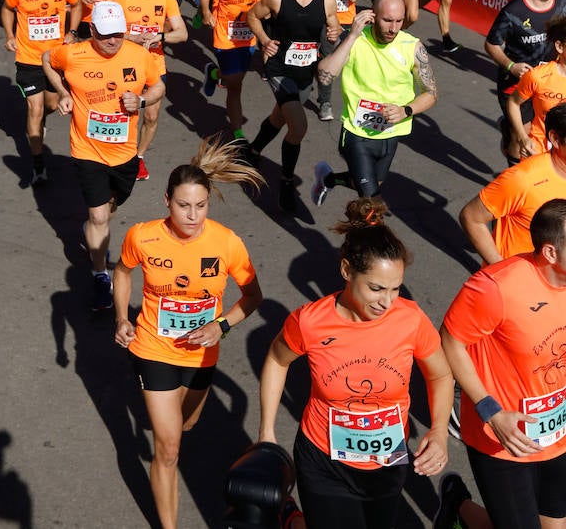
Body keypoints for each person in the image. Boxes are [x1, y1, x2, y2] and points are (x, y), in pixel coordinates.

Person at [259, 197, 453, 529]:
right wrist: (266, 431)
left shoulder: (410, 319)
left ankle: (292, 522)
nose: (387, 302)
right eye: (376, 288)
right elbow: (277, 361)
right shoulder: (310, 322)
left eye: (395, 289)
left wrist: (438, 432)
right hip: (324, 462)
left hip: (389, 462)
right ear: (347, 270)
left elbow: (441, 375)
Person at [114, 137, 263, 529]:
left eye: (200, 205)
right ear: (167, 201)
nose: (192, 215)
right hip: (153, 347)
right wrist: (121, 319)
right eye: (183, 205)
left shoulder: (226, 242)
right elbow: (123, 272)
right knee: (167, 447)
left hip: (200, 357)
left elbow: (252, 296)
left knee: (188, 424)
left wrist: (221, 325)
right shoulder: (143, 237)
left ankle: (174, 432)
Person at [442, 198, 566, 529]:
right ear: (551, 253)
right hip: (503, 438)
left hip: (558, 432)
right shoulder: (496, 287)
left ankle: (458, 511)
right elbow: (451, 342)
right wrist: (490, 412)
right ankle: (460, 507)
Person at [42, 1, 165, 310]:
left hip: (125, 155)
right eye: (106, 34)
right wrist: (63, 92)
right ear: (92, 30)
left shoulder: (139, 55)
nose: (113, 41)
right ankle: (100, 275)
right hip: (87, 150)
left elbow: (159, 86)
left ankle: (96, 233)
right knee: (98, 216)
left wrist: (141, 99)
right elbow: (46, 58)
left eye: (119, 34)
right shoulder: (73, 54)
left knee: (107, 210)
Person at [312, 0, 438, 207]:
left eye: (399, 21)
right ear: (372, 15)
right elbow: (325, 76)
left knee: (372, 183)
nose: (393, 28)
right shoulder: (354, 41)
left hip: (391, 132)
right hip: (356, 134)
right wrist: (351, 36)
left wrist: (405, 110)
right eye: (387, 20)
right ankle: (364, 239)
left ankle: (329, 179)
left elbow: (431, 93)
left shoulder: (412, 47)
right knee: (373, 205)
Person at [246, 0, 341, 212]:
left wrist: (334, 34)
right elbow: (252, 15)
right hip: (278, 69)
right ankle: (286, 183)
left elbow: (334, 28)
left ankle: (253, 150)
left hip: (304, 72)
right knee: (298, 127)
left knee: (280, 116)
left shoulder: (326, 0)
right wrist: (264, 41)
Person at [2, 0, 81, 185]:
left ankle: (40, 124)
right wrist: (9, 35)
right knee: (35, 109)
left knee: (50, 104)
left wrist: (73, 31)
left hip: (55, 58)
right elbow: (6, 9)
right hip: (28, 58)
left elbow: (76, 4)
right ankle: (38, 166)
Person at [459, 102, 566, 263]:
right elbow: (471, 217)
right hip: (521, 281)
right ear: (555, 139)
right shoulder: (523, 179)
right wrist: (501, 269)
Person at [484, 0, 566, 165]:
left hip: (548, 80)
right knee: (523, 136)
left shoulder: (563, 4)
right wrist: (511, 66)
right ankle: (514, 170)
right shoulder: (513, 13)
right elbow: (491, 44)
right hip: (516, 83)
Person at [114, 0, 188, 181]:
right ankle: (121, 155)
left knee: (152, 116)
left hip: (154, 64)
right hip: (126, 64)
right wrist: (133, 38)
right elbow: (110, 33)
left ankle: (138, 157)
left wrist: (160, 36)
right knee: (125, 113)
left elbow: (182, 33)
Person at [199, 0, 270, 145]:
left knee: (234, 79)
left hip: (248, 39)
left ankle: (213, 73)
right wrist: (205, 12)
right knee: (235, 84)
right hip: (225, 37)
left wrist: (266, 13)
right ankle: (238, 131)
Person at [315, 0, 371, 121]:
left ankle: (359, 102)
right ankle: (325, 102)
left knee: (354, 63)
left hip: (349, 21)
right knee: (328, 62)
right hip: (327, 20)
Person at [506, 16, 566, 159]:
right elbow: (513, 102)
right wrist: (523, 137)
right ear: (560, 47)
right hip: (540, 150)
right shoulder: (538, 76)